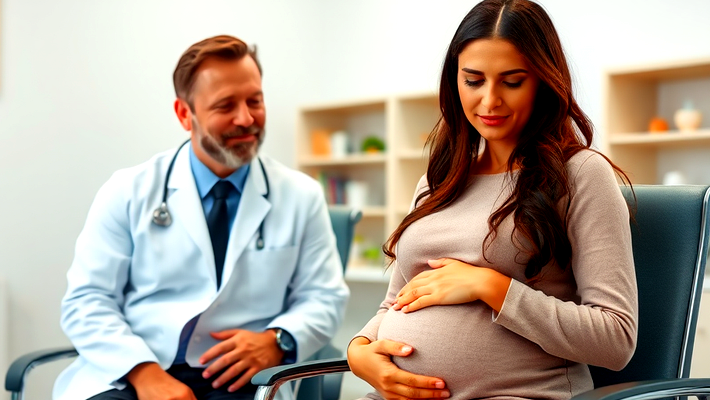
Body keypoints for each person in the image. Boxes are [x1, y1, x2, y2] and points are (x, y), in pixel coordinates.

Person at [346, 1, 638, 399]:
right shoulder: (438, 182)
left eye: (512, 81)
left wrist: (491, 286)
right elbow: (397, 301)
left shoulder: (582, 175)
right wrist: (358, 352)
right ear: (455, 81)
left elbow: (615, 338)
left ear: (544, 81)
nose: (489, 102)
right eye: (473, 80)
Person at [54, 35, 349, 400]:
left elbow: (324, 297)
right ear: (184, 114)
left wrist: (278, 340)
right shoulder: (128, 190)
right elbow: (87, 300)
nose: (246, 118)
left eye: (254, 101)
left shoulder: (301, 195)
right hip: (136, 369)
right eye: (226, 105)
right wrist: (147, 377)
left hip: (242, 377)